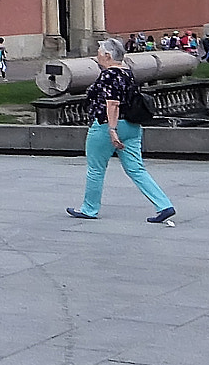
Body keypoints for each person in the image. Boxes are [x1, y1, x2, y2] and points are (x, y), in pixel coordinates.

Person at [68, 37, 176, 225]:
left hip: (106, 125)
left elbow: (113, 104)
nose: (97, 55)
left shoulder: (108, 75)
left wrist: (112, 130)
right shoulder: (128, 73)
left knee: (96, 169)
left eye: (100, 52)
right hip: (132, 126)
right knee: (137, 169)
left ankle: (89, 208)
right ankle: (164, 205)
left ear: (108, 56)